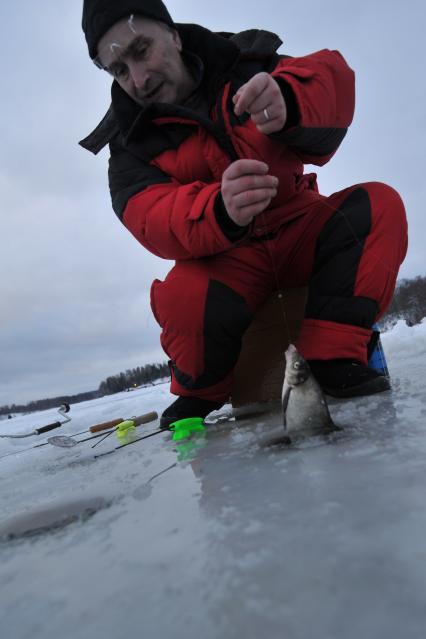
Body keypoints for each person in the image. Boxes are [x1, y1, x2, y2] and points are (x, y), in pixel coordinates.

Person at [80, 0, 408, 428]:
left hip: (300, 225)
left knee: (379, 205)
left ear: (174, 35)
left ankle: (332, 354)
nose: (137, 79)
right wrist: (218, 208)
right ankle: (200, 390)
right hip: (226, 257)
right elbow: (150, 218)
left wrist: (290, 99)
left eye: (141, 50)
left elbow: (332, 80)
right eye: (119, 70)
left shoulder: (247, 63)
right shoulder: (128, 144)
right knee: (182, 294)